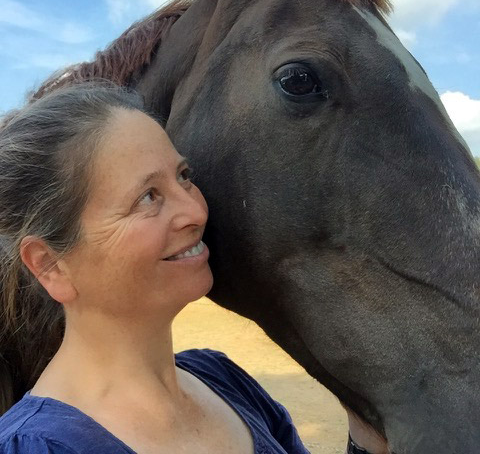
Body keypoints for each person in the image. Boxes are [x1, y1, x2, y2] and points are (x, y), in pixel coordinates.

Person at [0, 83, 388, 454]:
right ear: (51, 265)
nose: (196, 211)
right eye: (148, 197)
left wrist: (367, 440)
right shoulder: (36, 446)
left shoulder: (222, 379)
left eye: (184, 177)